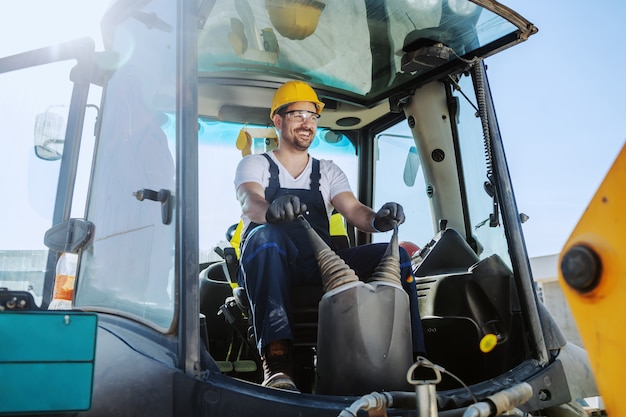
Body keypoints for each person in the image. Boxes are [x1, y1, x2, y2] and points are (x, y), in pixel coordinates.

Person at [234, 80, 425, 391]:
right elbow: (249, 201)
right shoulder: (255, 164)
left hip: (315, 263)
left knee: (397, 257)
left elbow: (354, 210)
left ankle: (416, 360)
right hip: (268, 261)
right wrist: (270, 211)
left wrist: (379, 219)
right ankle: (278, 364)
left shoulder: (328, 171)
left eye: (312, 116)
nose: (307, 124)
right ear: (278, 120)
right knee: (266, 236)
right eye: (297, 115)